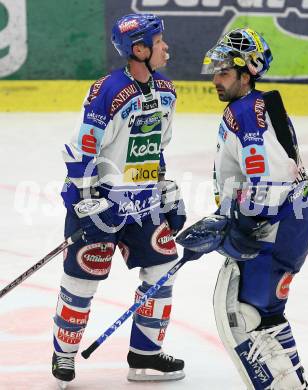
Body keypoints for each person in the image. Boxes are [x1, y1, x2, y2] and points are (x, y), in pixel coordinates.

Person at [51, 13, 187, 387]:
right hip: (104, 205)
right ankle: (63, 354)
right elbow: (83, 150)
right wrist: (83, 200)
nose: (165, 48)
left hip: (144, 205)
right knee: (83, 280)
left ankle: (145, 355)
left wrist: (164, 189)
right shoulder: (106, 91)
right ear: (139, 50)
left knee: (162, 272)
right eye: (159, 42)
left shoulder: (167, 92)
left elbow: (155, 148)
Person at [177, 28, 308, 389]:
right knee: (266, 315)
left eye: (223, 73)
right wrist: (228, 221)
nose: (215, 80)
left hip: (274, 225)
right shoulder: (252, 107)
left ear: (247, 72)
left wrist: (239, 229)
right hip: (285, 220)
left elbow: (268, 181)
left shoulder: (248, 114)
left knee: (246, 316)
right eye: (215, 72)